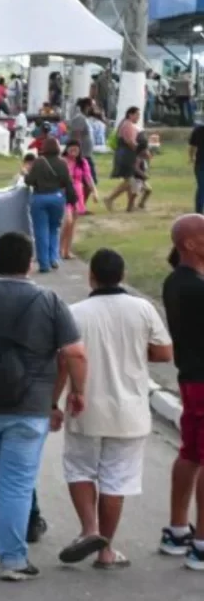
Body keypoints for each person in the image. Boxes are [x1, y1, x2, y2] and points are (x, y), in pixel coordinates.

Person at [0, 231, 87, 582]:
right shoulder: (50, 301)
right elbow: (75, 352)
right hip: (30, 403)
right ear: (29, 262)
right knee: (18, 482)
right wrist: (75, 391)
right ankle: (13, 559)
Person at [56, 249, 172, 568]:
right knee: (115, 481)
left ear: (90, 275)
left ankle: (88, 529)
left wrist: (54, 401)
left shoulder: (75, 312)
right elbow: (163, 353)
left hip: (84, 404)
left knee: (79, 469)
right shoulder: (142, 309)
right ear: (122, 276)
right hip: (130, 410)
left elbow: (65, 359)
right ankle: (106, 550)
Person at [159, 214, 204, 569]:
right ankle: (201, 542)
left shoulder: (176, 282)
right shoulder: (195, 288)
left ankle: (177, 529)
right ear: (189, 244)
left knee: (190, 453)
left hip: (190, 377)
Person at [25, 137, 75, 273]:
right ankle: (54, 258)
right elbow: (67, 182)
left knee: (41, 231)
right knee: (54, 229)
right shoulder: (62, 163)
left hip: (40, 197)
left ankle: (44, 264)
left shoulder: (38, 162)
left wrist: (26, 174)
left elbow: (29, 180)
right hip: (57, 197)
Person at [60, 141, 95, 261]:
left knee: (73, 224)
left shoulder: (83, 162)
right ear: (67, 149)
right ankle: (59, 247)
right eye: (71, 149)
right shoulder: (62, 161)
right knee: (67, 221)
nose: (74, 151)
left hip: (78, 193)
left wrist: (94, 192)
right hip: (64, 192)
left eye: (76, 149)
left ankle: (67, 250)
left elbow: (88, 177)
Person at [103, 107, 143, 213]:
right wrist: (140, 150)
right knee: (130, 181)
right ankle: (109, 198)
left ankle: (130, 206)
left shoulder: (124, 123)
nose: (138, 117)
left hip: (125, 154)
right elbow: (130, 141)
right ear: (130, 114)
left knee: (130, 180)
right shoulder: (128, 125)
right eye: (137, 115)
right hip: (126, 155)